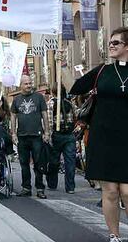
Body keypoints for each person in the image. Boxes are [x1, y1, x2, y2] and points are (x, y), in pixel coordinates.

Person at [70, 27, 128, 242]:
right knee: (111, 191)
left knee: (127, 192)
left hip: (126, 138)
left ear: (127, 46)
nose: (111, 46)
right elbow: (75, 88)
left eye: (116, 43)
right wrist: (61, 64)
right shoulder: (102, 70)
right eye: (110, 43)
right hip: (103, 138)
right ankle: (114, 235)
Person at [11, 75, 50, 199]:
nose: (29, 86)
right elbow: (13, 116)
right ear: (21, 85)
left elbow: (44, 114)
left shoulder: (39, 97)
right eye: (26, 84)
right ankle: (26, 187)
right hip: (22, 136)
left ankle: (40, 188)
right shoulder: (16, 100)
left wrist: (47, 132)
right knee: (24, 164)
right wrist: (13, 133)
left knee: (39, 163)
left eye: (30, 83)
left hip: (37, 136)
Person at [46, 84, 76, 194]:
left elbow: (49, 122)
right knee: (70, 161)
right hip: (69, 134)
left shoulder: (50, 103)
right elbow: (76, 114)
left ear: (53, 92)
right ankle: (70, 187)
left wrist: (48, 136)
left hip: (57, 135)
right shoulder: (69, 103)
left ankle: (52, 183)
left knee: (54, 161)